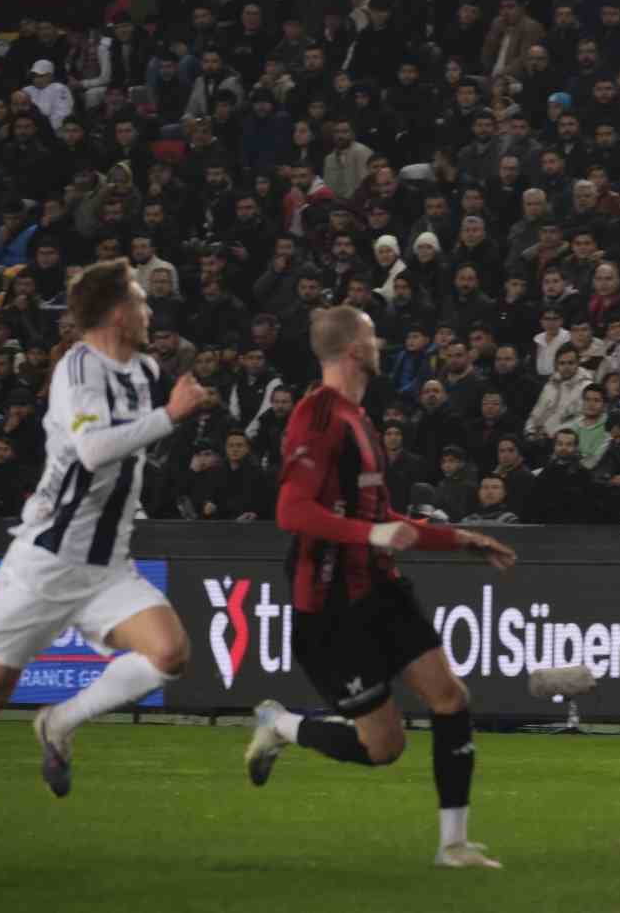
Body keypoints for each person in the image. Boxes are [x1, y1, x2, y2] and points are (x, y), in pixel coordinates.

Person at [0, 259, 207, 857]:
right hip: (47, 562)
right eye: (139, 300)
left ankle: (59, 722)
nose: (148, 310)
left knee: (169, 653)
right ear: (116, 312)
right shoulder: (76, 369)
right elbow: (90, 450)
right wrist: (170, 416)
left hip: (107, 564)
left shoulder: (144, 370)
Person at [242, 306, 516, 869]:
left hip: (381, 588)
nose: (379, 342)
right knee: (384, 747)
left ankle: (453, 845)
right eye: (371, 336)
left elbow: (384, 517)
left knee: (450, 697)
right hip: (329, 607)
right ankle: (282, 725)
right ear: (353, 350)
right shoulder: (318, 415)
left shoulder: (361, 420)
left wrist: (457, 539)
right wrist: (370, 534)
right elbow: (292, 510)